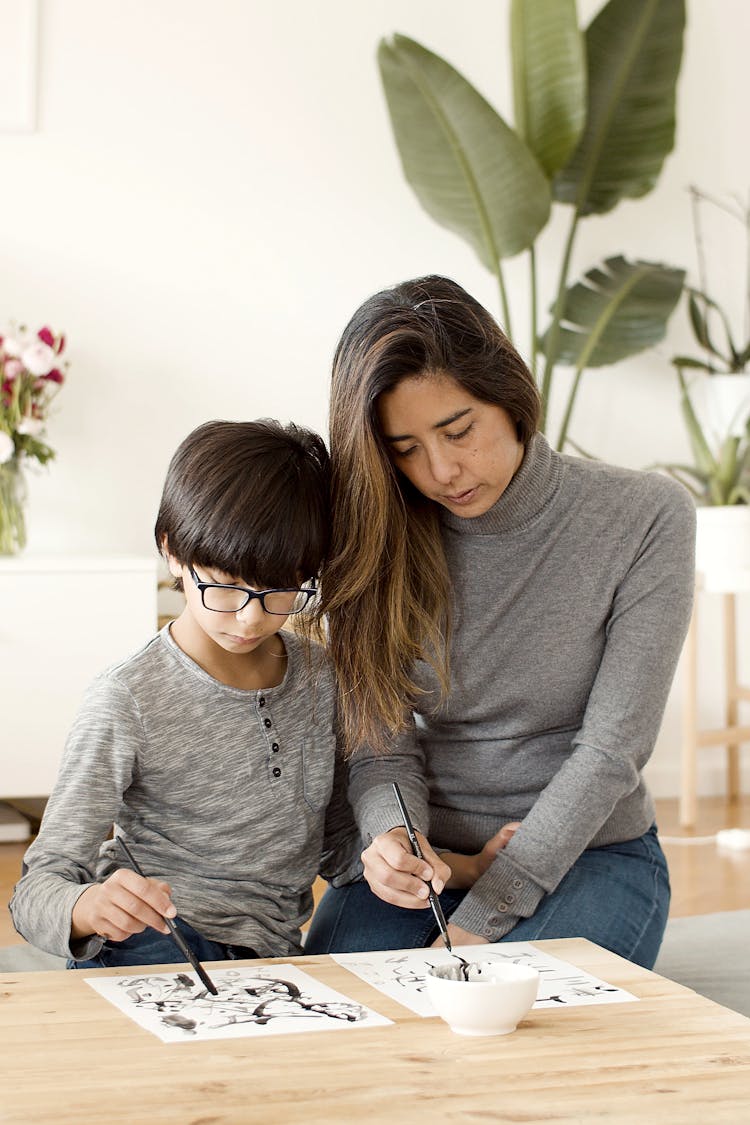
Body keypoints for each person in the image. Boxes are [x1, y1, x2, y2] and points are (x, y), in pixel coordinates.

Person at [304, 275, 696, 969]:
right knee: (343, 1014)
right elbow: (382, 748)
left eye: (459, 430)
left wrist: (485, 916)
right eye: (405, 449)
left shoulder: (644, 516)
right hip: (439, 858)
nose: (443, 469)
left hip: (590, 854)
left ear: (508, 396)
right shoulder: (374, 537)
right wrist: (398, 840)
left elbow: (612, 750)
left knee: (502, 1026)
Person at [10, 419, 358, 968]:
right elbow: (36, 891)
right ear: (171, 551)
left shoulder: (322, 678)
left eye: (280, 591)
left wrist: (457, 867)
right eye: (224, 585)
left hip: (268, 956)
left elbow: (342, 848)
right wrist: (89, 906)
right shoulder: (126, 697)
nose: (249, 619)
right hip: (154, 939)